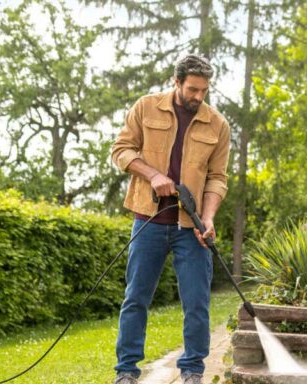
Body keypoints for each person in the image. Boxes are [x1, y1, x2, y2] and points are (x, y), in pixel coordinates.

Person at [110, 54, 230, 384]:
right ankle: (127, 371)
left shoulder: (217, 124)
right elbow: (121, 150)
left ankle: (192, 371)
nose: (198, 97)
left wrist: (207, 216)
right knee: (136, 298)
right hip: (149, 220)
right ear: (176, 82)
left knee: (196, 302)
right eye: (192, 89)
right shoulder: (146, 108)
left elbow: (217, 177)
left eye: (204, 90)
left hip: (190, 227)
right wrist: (152, 175)